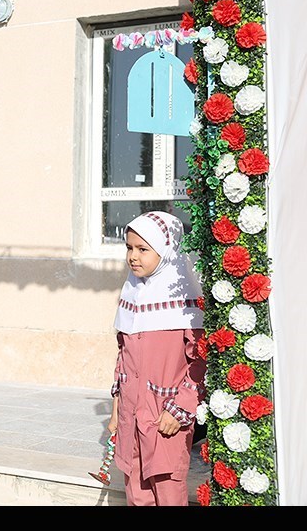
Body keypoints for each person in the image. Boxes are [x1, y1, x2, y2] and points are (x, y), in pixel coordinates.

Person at [107, 211, 206, 506]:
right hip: (131, 415)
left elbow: (200, 363)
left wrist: (180, 409)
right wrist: (116, 408)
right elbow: (123, 357)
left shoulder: (185, 302)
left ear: (165, 250)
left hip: (166, 418)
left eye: (142, 249)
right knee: (136, 493)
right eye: (129, 248)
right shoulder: (132, 295)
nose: (133, 257)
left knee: (168, 490)